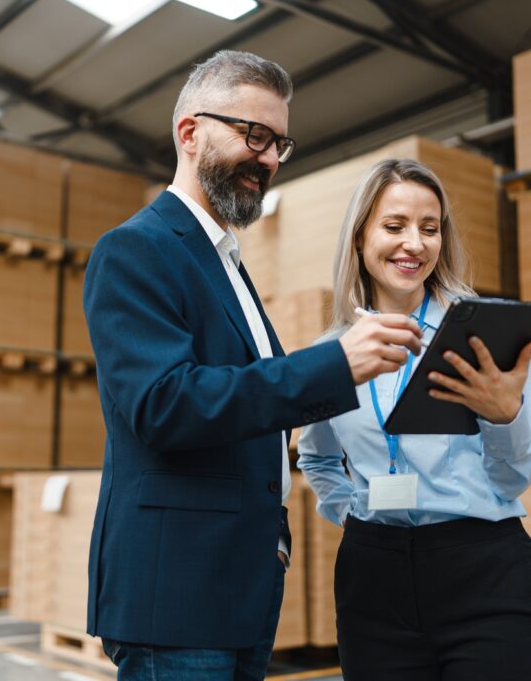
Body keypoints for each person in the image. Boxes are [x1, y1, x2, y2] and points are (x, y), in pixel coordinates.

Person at [83, 51, 423, 681]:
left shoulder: (227, 263)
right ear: (190, 132)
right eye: (253, 135)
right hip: (175, 596)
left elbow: (252, 407)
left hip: (239, 587)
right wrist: (331, 366)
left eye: (279, 143)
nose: (268, 158)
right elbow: (164, 404)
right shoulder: (136, 250)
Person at [298, 157, 531, 681]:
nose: (415, 244)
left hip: (483, 564)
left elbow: (513, 477)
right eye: (395, 226)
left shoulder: (481, 332)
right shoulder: (330, 352)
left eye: (430, 229)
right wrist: (348, 512)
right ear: (360, 238)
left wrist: (506, 417)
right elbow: (314, 455)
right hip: (372, 577)